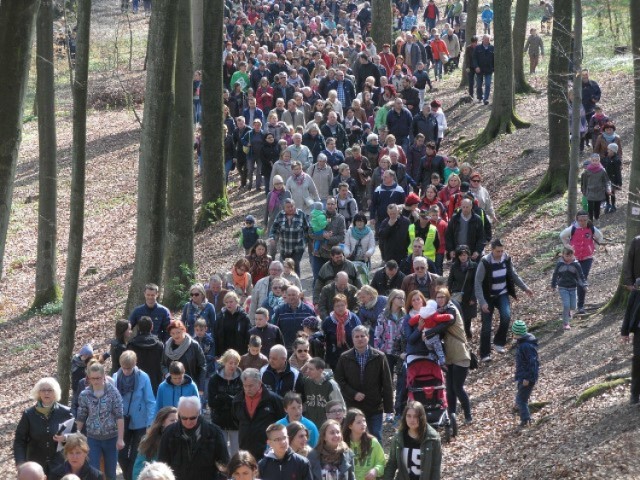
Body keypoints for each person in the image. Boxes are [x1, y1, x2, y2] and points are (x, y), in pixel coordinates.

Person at [474, 239, 535, 362]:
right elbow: (477, 283)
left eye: (502, 250)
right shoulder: (485, 262)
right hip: (487, 296)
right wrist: (482, 302)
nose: (500, 253)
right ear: (492, 250)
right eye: (498, 251)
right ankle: (485, 354)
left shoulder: (506, 259)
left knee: (506, 316)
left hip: (502, 293)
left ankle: (499, 342)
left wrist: (525, 288)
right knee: (486, 326)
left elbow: (513, 275)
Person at [334, 326, 393, 442]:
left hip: (374, 405)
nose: (360, 339)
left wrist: (389, 408)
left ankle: (378, 460)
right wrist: (353, 393)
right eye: (357, 336)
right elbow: (339, 380)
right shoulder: (344, 357)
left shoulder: (379, 357)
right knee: (352, 437)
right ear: (352, 338)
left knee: (375, 436)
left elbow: (387, 383)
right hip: (352, 405)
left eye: (362, 336)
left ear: (368, 337)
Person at [158, 396, 230, 480]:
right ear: (179, 414)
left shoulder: (214, 433)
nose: (188, 422)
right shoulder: (169, 433)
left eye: (192, 418)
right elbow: (162, 464)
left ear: (198, 413)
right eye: (184, 418)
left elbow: (224, 465)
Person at [14, 378, 74, 474]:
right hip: (35, 465)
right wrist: (20, 462)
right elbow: (19, 440)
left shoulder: (66, 412)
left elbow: (78, 436)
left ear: (55, 393)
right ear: (38, 393)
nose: (46, 393)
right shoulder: (29, 414)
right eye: (43, 390)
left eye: (50, 390)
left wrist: (65, 438)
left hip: (59, 464)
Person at [75, 363, 124, 480]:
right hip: (93, 438)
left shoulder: (113, 393)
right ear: (89, 378)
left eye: (98, 378)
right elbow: (81, 416)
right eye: (93, 378)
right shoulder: (85, 395)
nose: (96, 381)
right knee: (93, 472)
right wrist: (76, 433)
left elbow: (119, 416)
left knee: (111, 473)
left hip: (111, 438)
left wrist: (120, 438)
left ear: (104, 377)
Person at [112, 351, 156, 480]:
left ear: (135, 364)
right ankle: (128, 476)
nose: (126, 371)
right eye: (124, 368)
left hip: (140, 422)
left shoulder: (143, 377)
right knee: (121, 454)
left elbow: (150, 401)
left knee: (136, 455)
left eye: (129, 368)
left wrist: (150, 424)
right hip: (121, 422)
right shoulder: (115, 378)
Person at [232, 368, 285, 460]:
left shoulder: (273, 399)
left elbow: (282, 420)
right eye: (245, 386)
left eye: (251, 386)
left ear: (260, 383)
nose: (247, 389)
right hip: (245, 449)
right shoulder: (238, 400)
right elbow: (236, 420)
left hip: (267, 449)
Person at [383, 402, 441, 480]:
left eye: (415, 416)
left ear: (421, 417)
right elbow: (392, 463)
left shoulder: (433, 438)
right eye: (409, 416)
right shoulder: (398, 437)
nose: (412, 420)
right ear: (405, 417)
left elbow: (435, 468)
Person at [559, 211, 603, 315]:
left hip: (587, 258)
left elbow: (600, 236)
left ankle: (580, 306)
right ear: (577, 220)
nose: (583, 222)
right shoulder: (573, 228)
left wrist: (595, 248)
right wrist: (568, 247)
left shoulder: (591, 228)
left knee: (582, 280)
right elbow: (562, 235)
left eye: (585, 220)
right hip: (575, 258)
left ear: (588, 219)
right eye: (580, 220)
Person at [208, 349, 244, 457]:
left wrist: (225, 399)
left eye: (235, 363)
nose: (233, 366)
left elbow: (243, 401)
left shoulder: (241, 379)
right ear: (224, 362)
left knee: (236, 454)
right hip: (219, 421)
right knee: (221, 453)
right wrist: (227, 399)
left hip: (236, 422)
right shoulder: (214, 379)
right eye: (230, 363)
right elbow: (211, 402)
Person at [161, 320, 206, 395]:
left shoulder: (194, 345)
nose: (176, 335)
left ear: (184, 330)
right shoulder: (167, 345)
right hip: (171, 385)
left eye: (178, 332)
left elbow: (202, 366)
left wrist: (201, 387)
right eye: (173, 333)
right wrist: (167, 374)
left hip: (189, 385)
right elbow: (163, 364)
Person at [132, 407, 178, 480]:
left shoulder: (183, 439)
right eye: (172, 420)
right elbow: (138, 469)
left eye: (177, 421)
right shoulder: (149, 441)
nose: (176, 423)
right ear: (162, 422)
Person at [269, 198, 311, 274]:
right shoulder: (280, 215)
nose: (290, 208)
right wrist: (272, 238)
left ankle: (296, 284)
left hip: (298, 248)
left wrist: (305, 242)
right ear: (284, 208)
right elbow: (274, 229)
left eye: (292, 206)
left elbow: (308, 229)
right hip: (284, 248)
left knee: (294, 266)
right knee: (284, 268)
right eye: (288, 207)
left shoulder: (301, 214)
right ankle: (285, 285)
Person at [342, 409, 386, 480]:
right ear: (350, 426)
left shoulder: (373, 442)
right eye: (359, 422)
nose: (363, 424)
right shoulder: (342, 444)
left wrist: (375, 470)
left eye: (364, 421)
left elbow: (382, 462)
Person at [551, 246, 587, 330]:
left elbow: (580, 276)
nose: (569, 258)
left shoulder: (576, 264)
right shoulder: (560, 264)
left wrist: (584, 285)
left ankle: (569, 312)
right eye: (567, 256)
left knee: (573, 306)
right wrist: (553, 285)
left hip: (573, 287)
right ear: (563, 255)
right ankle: (566, 323)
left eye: (571, 256)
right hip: (562, 287)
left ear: (573, 255)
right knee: (566, 305)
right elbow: (555, 275)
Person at [622, 235, 640, 404]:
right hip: (637, 288)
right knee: (637, 358)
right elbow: (629, 264)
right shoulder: (636, 241)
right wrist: (630, 283)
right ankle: (634, 393)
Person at [323, 294, 363, 370]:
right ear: (333, 307)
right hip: (335, 358)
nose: (340, 308)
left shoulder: (354, 318)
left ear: (346, 305)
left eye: (342, 305)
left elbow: (361, 335)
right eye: (337, 306)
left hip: (353, 356)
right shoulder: (328, 321)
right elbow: (326, 341)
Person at [511, 321, 540, 427]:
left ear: (517, 333)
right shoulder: (522, 343)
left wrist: (527, 378)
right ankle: (524, 417)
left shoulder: (526, 346)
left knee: (521, 400)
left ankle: (525, 420)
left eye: (513, 333)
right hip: (522, 376)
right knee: (520, 397)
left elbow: (532, 363)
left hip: (527, 377)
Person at [272, 286, 317, 352]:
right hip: (286, 348)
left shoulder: (309, 311)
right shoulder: (280, 311)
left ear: (299, 295)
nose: (291, 297)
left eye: (293, 295)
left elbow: (314, 331)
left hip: (304, 350)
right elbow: (275, 329)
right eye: (289, 295)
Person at [447, 245, 478, 339]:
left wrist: (473, 297)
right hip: (457, 295)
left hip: (469, 295)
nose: (463, 257)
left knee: (468, 317)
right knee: (458, 315)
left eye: (464, 255)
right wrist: (449, 293)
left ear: (468, 255)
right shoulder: (454, 266)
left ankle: (467, 333)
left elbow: (476, 283)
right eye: (460, 255)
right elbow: (450, 280)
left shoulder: (474, 266)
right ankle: (460, 334)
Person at [580, 154, 611, 222]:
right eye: (593, 160)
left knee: (597, 207)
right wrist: (584, 191)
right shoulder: (587, 171)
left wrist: (608, 188)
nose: (595, 162)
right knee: (590, 207)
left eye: (596, 160)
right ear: (591, 161)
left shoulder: (602, 171)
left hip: (599, 191)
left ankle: (596, 217)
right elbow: (584, 182)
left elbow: (607, 181)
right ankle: (590, 220)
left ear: (599, 161)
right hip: (590, 191)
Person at [472, 35, 494, 105]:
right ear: (483, 40)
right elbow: (474, 58)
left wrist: (493, 68)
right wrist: (476, 67)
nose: (487, 41)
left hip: (489, 69)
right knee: (479, 85)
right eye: (486, 39)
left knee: (488, 84)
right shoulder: (478, 48)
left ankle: (486, 99)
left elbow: (495, 59)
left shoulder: (492, 48)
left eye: (488, 40)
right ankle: (480, 97)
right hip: (479, 70)